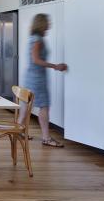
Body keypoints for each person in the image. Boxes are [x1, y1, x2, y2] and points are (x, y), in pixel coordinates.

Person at [19, 13, 68, 148]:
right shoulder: (38, 40)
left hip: (30, 77)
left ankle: (18, 131)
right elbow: (36, 60)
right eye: (48, 22)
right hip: (37, 79)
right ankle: (46, 138)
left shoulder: (33, 38)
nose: (50, 24)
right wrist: (55, 66)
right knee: (44, 107)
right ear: (42, 24)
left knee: (25, 106)